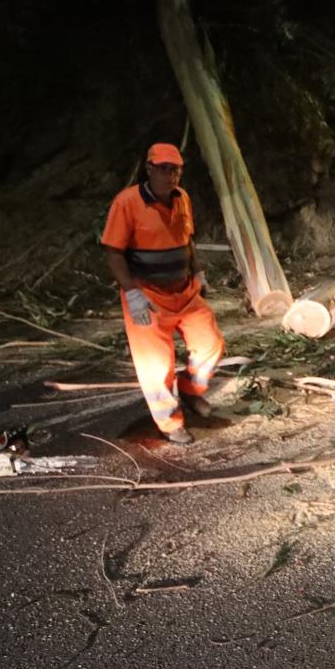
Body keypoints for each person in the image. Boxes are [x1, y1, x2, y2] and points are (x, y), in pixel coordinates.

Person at [101, 143, 224, 445]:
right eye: (165, 169)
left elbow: (187, 240)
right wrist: (132, 292)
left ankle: (191, 391)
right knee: (155, 365)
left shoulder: (182, 199)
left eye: (176, 170)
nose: (171, 176)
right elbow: (113, 251)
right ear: (150, 169)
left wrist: (197, 272)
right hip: (147, 295)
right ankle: (169, 423)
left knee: (211, 344)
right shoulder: (127, 202)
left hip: (184, 291)